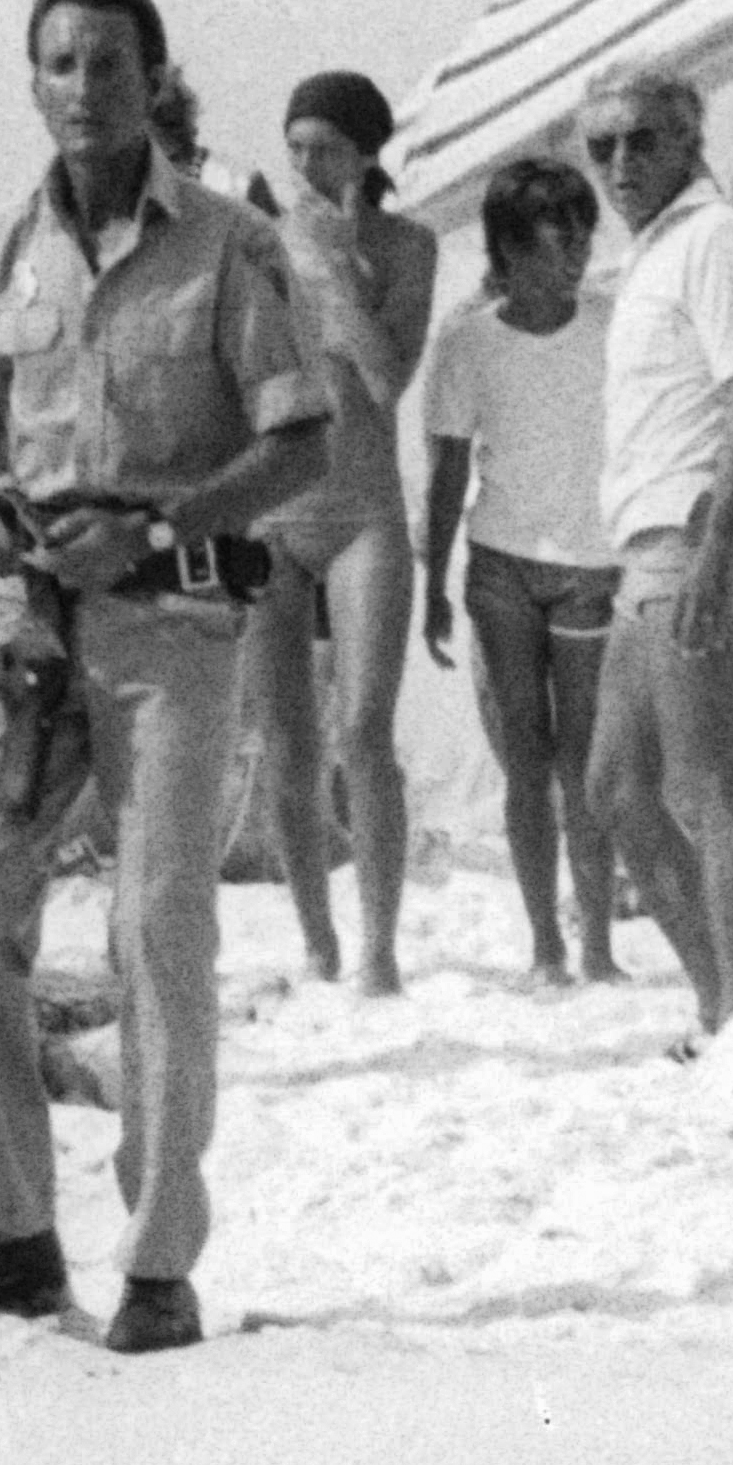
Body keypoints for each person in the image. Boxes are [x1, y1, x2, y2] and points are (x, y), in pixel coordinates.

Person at [0, 0, 326, 1355]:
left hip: (170, 628)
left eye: (108, 62)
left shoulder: (227, 246)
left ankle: (154, 1265)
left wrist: (154, 523)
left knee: (156, 930)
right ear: (31, 81)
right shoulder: (2, 246)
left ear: (153, 78)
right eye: (59, 62)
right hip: (28, 631)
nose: (83, 86)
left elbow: (296, 438)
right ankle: (8, 1238)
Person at [583, 65, 733, 1037]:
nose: (620, 162)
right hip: (645, 545)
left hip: (691, 533)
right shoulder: (651, 253)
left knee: (706, 791)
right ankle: (724, 1010)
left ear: (687, 141)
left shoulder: (714, 237)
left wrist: (713, 553)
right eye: (601, 146)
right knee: (616, 792)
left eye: (641, 140)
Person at [243, 70, 439, 979]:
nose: (306, 165)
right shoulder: (255, 241)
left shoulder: (408, 244)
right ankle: (317, 937)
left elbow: (386, 380)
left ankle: (380, 944)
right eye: (294, 148)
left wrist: (331, 267)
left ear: (364, 153)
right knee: (285, 737)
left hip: (363, 504)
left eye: (323, 147)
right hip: (274, 507)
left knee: (363, 729)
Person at [415, 151, 624, 986]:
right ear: (507, 246)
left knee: (585, 764)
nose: (572, 250)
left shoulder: (613, 322)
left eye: (580, 233)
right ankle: (546, 945)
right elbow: (445, 472)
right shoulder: (466, 341)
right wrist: (431, 587)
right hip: (499, 564)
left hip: (589, 562)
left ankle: (600, 941)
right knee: (524, 765)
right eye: (551, 236)